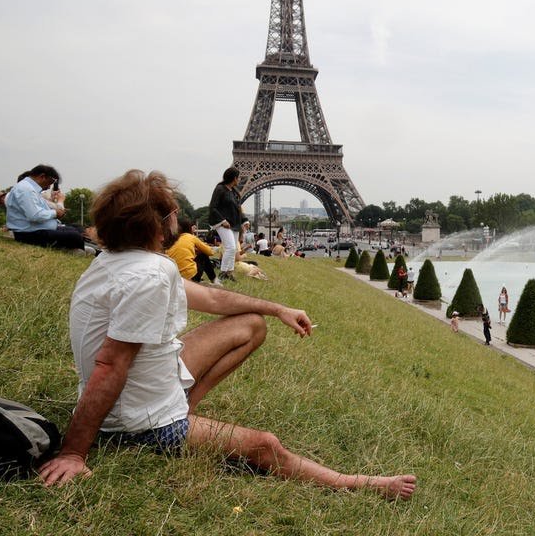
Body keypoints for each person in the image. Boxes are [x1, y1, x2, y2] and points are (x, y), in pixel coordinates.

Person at [37, 170, 416, 500]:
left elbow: (211, 297)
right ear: (157, 224)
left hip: (145, 385)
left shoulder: (118, 261)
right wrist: (74, 452)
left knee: (251, 324)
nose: (177, 218)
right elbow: (111, 364)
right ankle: (357, 483)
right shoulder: (149, 276)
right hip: (139, 422)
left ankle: (185, 409)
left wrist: (277, 308)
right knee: (265, 446)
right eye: (171, 213)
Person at [4, 164, 86, 250]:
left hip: (33, 230)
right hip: (28, 234)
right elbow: (34, 215)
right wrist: (55, 213)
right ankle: (75, 251)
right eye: (50, 182)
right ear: (42, 177)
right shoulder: (26, 189)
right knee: (74, 236)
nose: (49, 187)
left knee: (75, 231)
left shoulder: (29, 188)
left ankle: (75, 249)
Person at [208, 167, 243, 282]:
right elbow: (212, 207)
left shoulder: (233, 192)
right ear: (234, 178)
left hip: (234, 224)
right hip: (223, 223)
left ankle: (229, 272)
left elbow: (237, 209)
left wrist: (243, 222)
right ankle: (223, 272)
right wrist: (223, 221)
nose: (239, 179)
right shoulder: (220, 189)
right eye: (238, 177)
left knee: (233, 250)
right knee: (231, 247)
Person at [166, 218, 221, 286]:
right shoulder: (191, 237)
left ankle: (201, 281)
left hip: (175, 278)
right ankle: (214, 280)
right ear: (189, 228)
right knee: (203, 255)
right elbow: (210, 252)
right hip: (191, 277)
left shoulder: (172, 241)